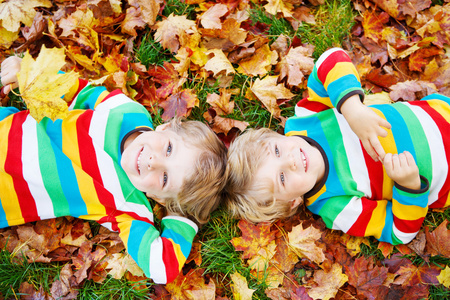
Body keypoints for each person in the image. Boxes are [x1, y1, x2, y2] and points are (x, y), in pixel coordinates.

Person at [0, 56, 227, 283]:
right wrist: (32, 74)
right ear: (166, 127)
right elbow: (79, 93)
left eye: (165, 178)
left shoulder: (128, 205)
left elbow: (161, 267)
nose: (153, 162)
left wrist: (183, 216)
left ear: (158, 197)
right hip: (8, 125)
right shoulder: (128, 112)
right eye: (168, 149)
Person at [225, 47, 450, 245]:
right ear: (293, 202)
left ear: (275, 135)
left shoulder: (307, 120)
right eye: (282, 178)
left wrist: (351, 109)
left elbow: (331, 59)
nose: (290, 160)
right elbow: (398, 232)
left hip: (440, 112)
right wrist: (408, 186)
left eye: (276, 151)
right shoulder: (335, 206)